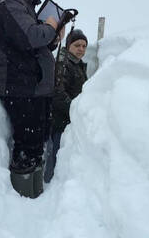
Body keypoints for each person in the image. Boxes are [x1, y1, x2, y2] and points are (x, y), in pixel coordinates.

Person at [0, 0, 63, 198]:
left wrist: (53, 36)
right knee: (27, 148)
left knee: (35, 145)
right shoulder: (9, 3)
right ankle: (24, 203)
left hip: (33, 88)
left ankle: (36, 195)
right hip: (21, 88)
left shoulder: (22, 3)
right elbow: (31, 36)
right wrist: (50, 27)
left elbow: (36, 44)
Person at [44, 29, 88, 183]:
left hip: (68, 119)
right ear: (69, 45)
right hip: (59, 121)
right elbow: (58, 93)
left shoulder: (77, 64)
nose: (81, 49)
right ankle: (50, 187)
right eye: (77, 45)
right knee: (56, 156)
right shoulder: (63, 64)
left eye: (84, 46)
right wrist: (76, 109)